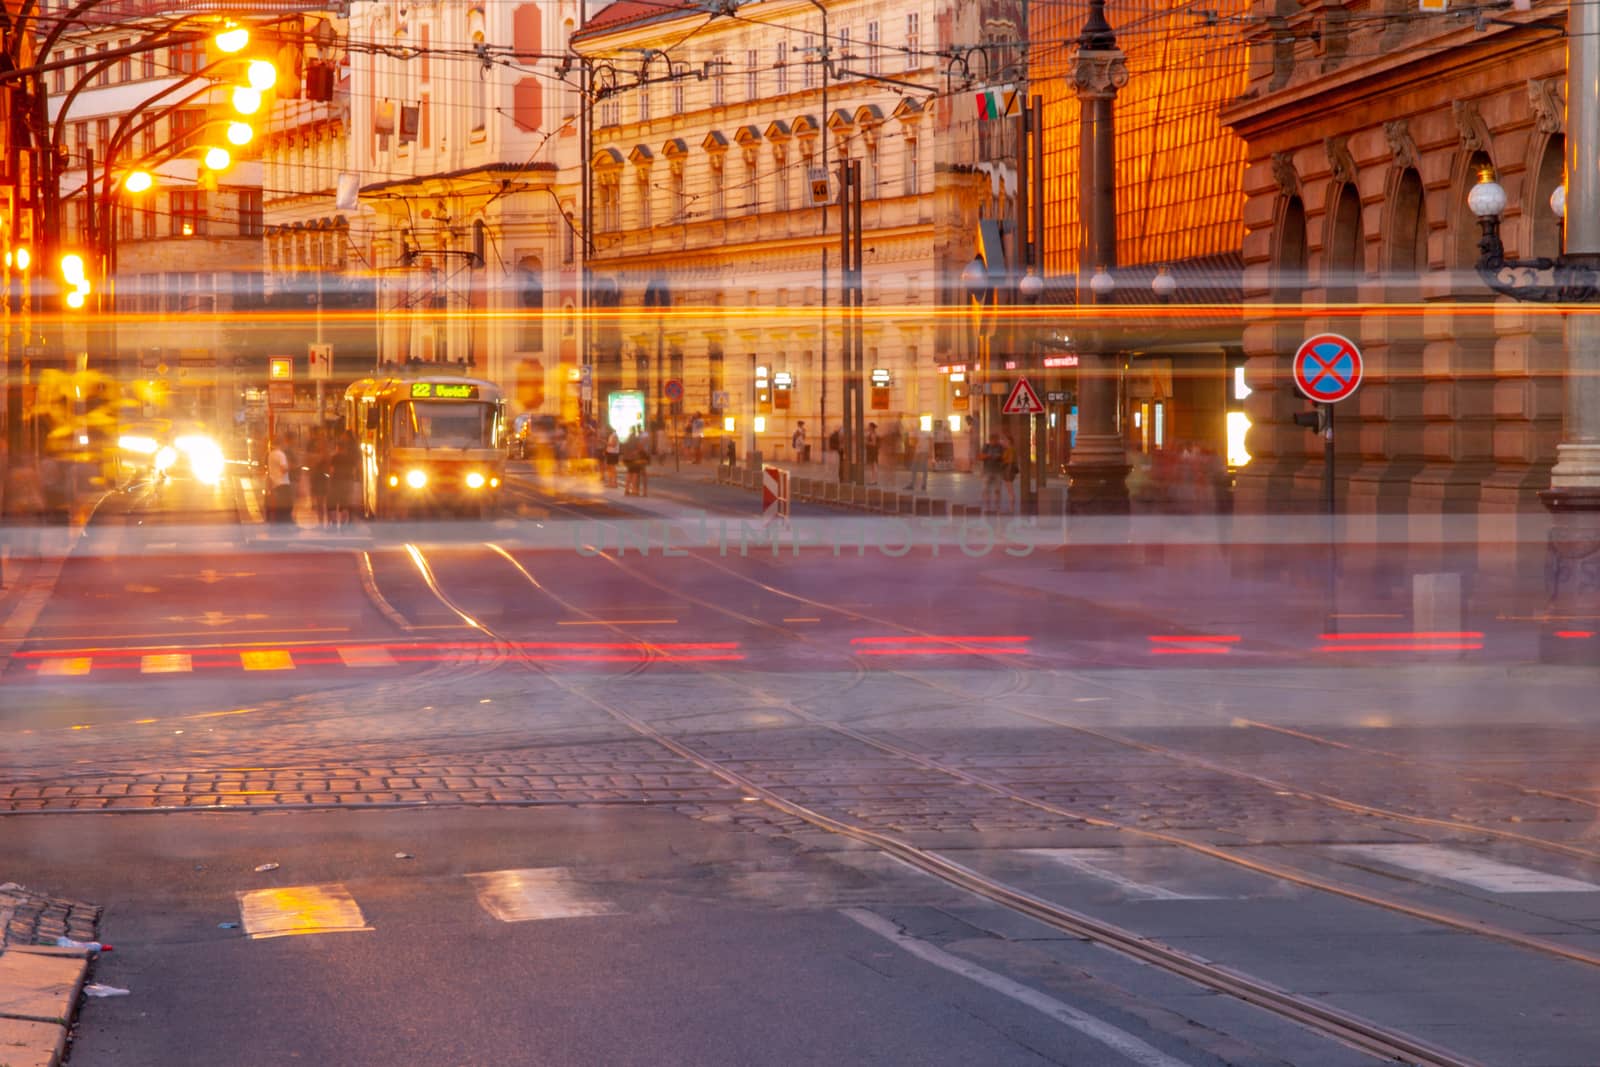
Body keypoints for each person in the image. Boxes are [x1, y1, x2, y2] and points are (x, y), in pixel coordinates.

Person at [267, 435, 294, 526]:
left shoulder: (271, 454)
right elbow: (283, 469)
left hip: (275, 484)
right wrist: (291, 466)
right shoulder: (280, 454)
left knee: (280, 507)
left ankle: (280, 525)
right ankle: (287, 526)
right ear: (281, 443)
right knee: (288, 506)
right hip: (283, 484)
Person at [979, 431, 1006, 514]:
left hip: (998, 471)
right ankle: (987, 507)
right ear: (990, 440)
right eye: (993, 440)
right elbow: (980, 456)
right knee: (986, 489)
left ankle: (997, 507)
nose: (994, 442)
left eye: (996, 440)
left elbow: (1004, 457)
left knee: (997, 490)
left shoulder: (1000, 447)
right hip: (987, 471)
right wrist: (989, 456)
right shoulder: (986, 446)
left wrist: (999, 457)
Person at [623, 431, 649, 496]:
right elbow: (641, 448)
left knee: (630, 474)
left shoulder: (627, 441)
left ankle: (627, 489)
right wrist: (637, 452)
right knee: (636, 474)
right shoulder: (638, 440)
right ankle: (635, 490)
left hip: (628, 459)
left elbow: (624, 450)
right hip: (637, 459)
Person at [904, 426, 929, 492]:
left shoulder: (916, 433)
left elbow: (913, 443)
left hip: (922, 452)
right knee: (919, 468)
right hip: (921, 451)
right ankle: (920, 484)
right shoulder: (923, 432)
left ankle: (916, 484)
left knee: (920, 468)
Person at [999, 432, 1019, 514]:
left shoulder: (1010, 449)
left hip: (1008, 470)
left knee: (1010, 490)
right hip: (1007, 470)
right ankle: (1011, 508)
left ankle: (1011, 508)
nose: (1003, 441)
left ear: (1009, 441)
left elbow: (1010, 462)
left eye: (1005, 440)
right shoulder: (1008, 449)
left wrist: (1007, 471)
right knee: (1009, 489)